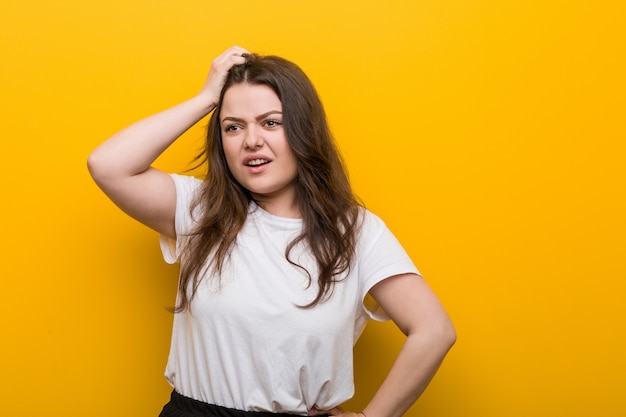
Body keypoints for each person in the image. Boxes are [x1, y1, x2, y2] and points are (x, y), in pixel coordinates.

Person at [87, 45, 456, 417]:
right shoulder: (201, 210)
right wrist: (205, 99)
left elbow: (434, 330)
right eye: (233, 127)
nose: (251, 141)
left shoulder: (355, 232)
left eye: (271, 122)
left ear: (302, 130)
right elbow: (108, 165)